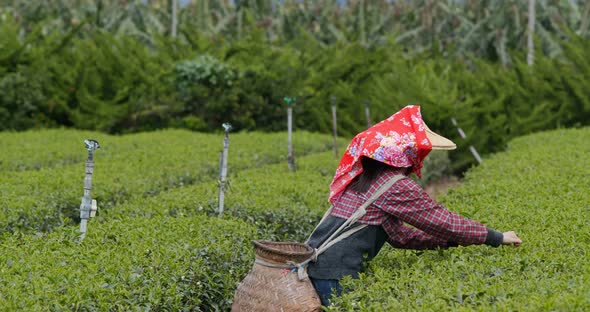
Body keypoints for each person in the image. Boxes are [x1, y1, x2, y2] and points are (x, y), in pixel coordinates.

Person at [306, 105, 522, 307]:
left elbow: (400, 237)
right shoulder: (394, 185)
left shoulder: (365, 180)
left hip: (316, 267)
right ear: (404, 152)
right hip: (335, 276)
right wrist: (497, 237)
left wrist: (453, 242)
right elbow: (442, 221)